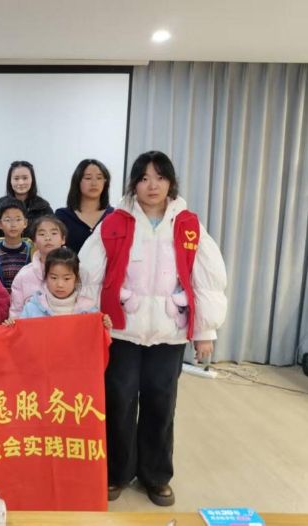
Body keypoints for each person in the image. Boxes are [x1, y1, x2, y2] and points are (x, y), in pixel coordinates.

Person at [79, 150, 227, 506]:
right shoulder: (115, 223)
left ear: (170, 182)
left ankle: (156, 476)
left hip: (168, 332)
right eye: (144, 178)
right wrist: (87, 324)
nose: (152, 185)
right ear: (134, 184)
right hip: (122, 331)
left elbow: (207, 279)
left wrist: (205, 331)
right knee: (119, 402)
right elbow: (89, 276)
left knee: (162, 403)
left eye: (159, 177)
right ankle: (117, 472)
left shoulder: (188, 225)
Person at [10, 247, 111, 328]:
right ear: (46, 278)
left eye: (66, 278)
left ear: (76, 279)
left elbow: (96, 338)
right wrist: (12, 327)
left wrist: (104, 324)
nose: (60, 284)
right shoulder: (32, 308)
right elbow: (21, 335)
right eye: (53, 278)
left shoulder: (88, 309)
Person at [9, 214, 67, 319]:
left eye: (54, 233)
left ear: (63, 239)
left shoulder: (78, 271)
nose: (48, 238)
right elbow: (16, 313)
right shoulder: (24, 275)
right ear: (34, 241)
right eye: (42, 234)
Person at [0, 160, 52, 246]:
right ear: (10, 181)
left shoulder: (43, 207)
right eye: (16, 179)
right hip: (4, 252)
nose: (21, 182)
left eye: (25, 178)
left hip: (36, 252)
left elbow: (51, 234)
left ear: (32, 180)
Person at [55, 159, 114, 254]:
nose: (94, 183)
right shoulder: (63, 216)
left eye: (99, 178)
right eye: (88, 178)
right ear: (77, 181)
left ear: (105, 182)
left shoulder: (114, 215)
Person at [0, 198, 33, 293]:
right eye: (7, 220)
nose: (13, 224)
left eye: (18, 219)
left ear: (25, 223)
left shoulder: (33, 252)